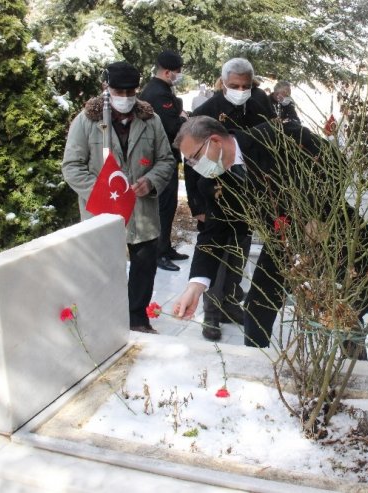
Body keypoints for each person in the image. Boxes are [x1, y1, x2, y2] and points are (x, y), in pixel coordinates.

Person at [172, 116, 368, 355]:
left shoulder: (276, 135)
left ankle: (351, 364)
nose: (194, 166)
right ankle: (257, 364)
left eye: (194, 158)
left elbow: (333, 163)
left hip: (332, 227)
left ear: (214, 141)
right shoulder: (212, 184)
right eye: (190, 162)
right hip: (283, 241)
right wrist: (196, 285)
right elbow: (214, 232)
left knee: (360, 291)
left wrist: (318, 214)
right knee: (258, 309)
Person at [62, 61, 175, 333]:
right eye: (118, 91)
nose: (124, 98)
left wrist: (151, 181)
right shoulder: (87, 121)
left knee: (144, 268)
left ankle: (137, 319)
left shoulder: (151, 120)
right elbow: (72, 167)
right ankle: (105, 324)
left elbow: (166, 160)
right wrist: (102, 193)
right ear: (106, 88)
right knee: (103, 271)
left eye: (130, 92)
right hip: (101, 213)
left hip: (142, 212)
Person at [188, 58, 276, 341]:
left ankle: (229, 302)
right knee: (218, 250)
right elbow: (191, 163)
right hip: (215, 193)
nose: (240, 90)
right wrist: (197, 206)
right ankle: (212, 311)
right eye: (234, 86)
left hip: (251, 192)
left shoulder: (261, 104)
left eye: (246, 86)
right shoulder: (205, 113)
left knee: (240, 248)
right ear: (223, 83)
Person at [139, 49, 191, 272]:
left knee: (168, 207)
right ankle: (159, 253)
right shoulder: (158, 93)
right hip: (160, 158)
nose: (179, 76)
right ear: (168, 72)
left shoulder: (160, 89)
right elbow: (171, 126)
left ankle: (166, 247)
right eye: (178, 72)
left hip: (165, 156)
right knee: (162, 207)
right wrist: (182, 118)